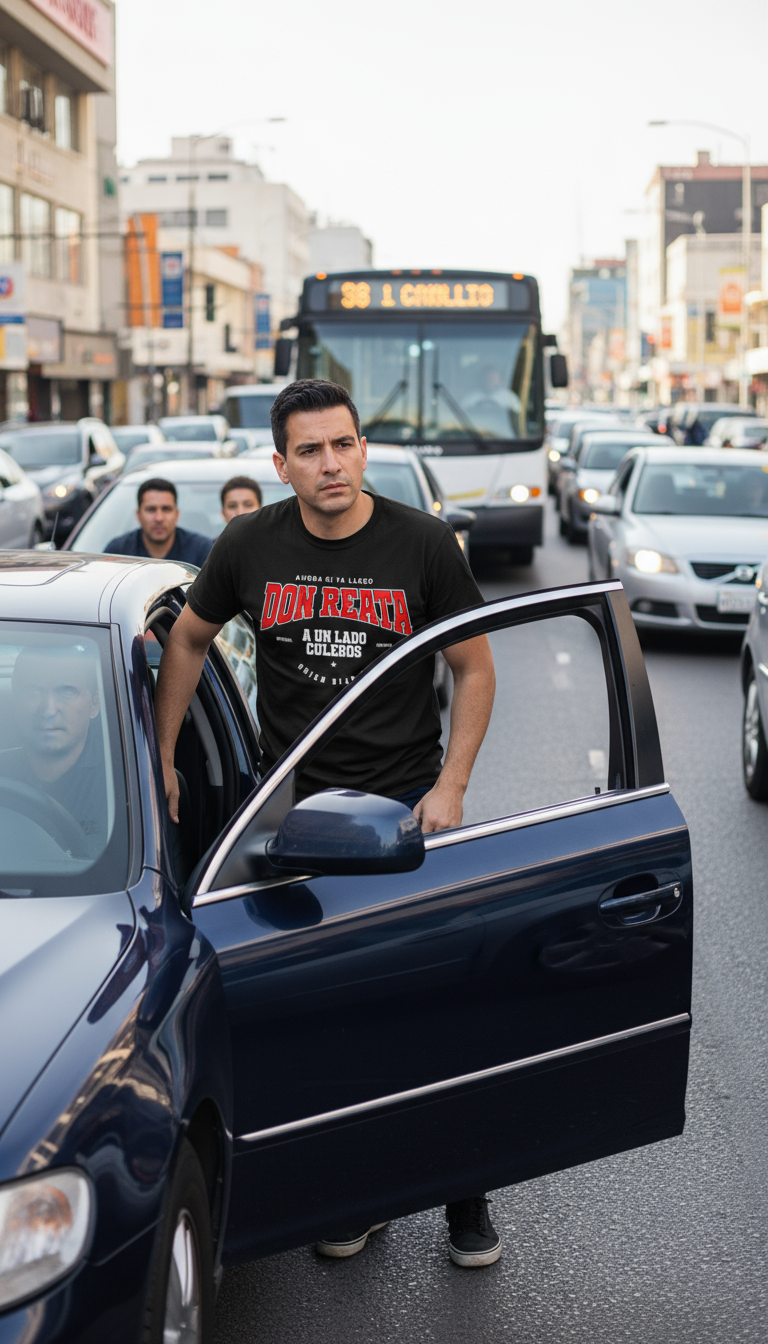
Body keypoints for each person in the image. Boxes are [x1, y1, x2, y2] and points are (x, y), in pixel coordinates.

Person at [154, 379, 500, 1268]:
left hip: (406, 811)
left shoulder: (423, 544)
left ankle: (466, 1199)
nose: (330, 464)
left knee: (436, 1010)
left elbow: (474, 667)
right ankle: (359, 1196)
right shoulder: (249, 544)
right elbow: (187, 638)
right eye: (309, 450)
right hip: (299, 822)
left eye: (343, 444)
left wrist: (452, 785)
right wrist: (161, 754)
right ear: (281, 465)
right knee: (335, 1016)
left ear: (363, 450)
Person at [0, 644, 106, 858]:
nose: (48, 710)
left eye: (67, 692)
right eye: (33, 691)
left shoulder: (126, 783)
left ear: (94, 704)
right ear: (16, 700)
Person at [104, 478, 213, 565]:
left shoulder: (203, 551)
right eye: (151, 510)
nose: (159, 518)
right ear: (138, 515)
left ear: (177, 514)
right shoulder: (117, 554)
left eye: (166, 509)